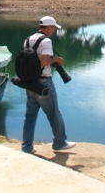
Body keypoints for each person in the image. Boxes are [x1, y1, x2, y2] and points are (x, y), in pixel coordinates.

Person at [21, 16, 75, 154]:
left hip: (30, 82)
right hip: (44, 82)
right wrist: (55, 60)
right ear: (49, 27)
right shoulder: (46, 41)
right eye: (54, 28)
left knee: (30, 115)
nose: (54, 31)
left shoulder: (28, 40)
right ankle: (60, 142)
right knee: (54, 113)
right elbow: (45, 61)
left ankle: (27, 146)